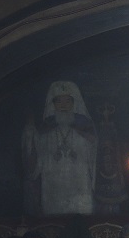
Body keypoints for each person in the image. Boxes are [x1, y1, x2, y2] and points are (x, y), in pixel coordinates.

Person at [22, 80, 98, 216]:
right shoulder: (46, 128)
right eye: (59, 101)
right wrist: (30, 134)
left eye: (68, 101)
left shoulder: (84, 127)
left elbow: (94, 153)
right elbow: (36, 156)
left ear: (74, 104)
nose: (63, 105)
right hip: (53, 182)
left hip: (79, 181)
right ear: (53, 104)